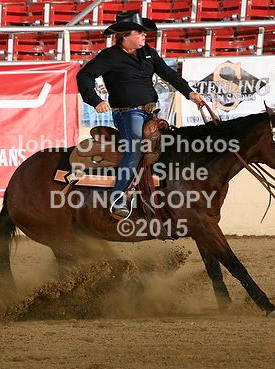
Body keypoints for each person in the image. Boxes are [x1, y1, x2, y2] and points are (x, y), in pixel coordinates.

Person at [76, 11, 205, 219]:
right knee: (134, 148)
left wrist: (190, 94)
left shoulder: (148, 53)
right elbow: (85, 75)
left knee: (172, 145)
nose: (145, 35)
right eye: (139, 32)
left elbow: (168, 74)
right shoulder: (110, 56)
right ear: (124, 36)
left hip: (151, 114)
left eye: (144, 32)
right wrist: (96, 100)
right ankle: (118, 199)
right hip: (128, 114)